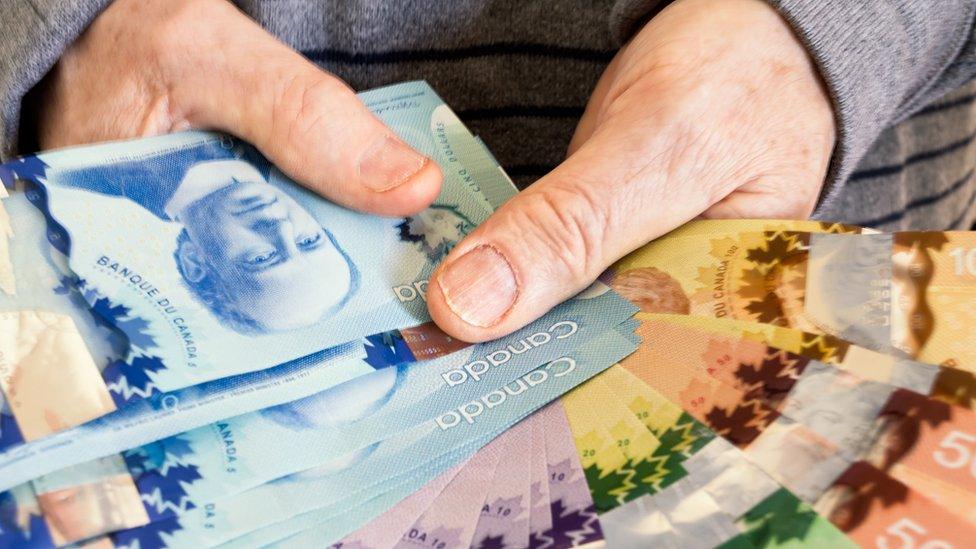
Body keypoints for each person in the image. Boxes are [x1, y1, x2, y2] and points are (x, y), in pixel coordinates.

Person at [1, 0, 973, 343]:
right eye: (294, 246)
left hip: (850, 246)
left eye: (272, 246)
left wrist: (834, 30)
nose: (287, 226)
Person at [59, 157, 358, 333]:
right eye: (308, 240)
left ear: (195, 261)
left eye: (262, 258)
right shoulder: (298, 150)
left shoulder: (80, 173)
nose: (282, 227)